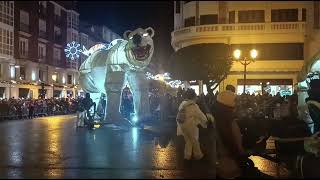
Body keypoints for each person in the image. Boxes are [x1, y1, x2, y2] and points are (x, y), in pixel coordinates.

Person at [213, 85, 246, 178]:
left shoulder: (213, 118)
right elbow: (238, 146)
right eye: (235, 102)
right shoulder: (229, 122)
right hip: (228, 163)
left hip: (217, 164)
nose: (236, 105)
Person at [176, 89, 208, 160]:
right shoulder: (193, 106)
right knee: (195, 141)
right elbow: (200, 115)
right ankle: (199, 155)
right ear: (193, 97)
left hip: (183, 126)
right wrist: (205, 121)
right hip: (191, 126)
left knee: (188, 141)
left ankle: (187, 156)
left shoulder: (182, 104)